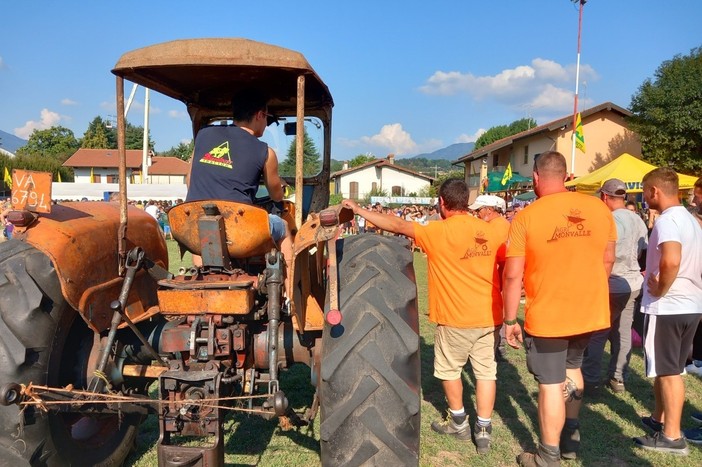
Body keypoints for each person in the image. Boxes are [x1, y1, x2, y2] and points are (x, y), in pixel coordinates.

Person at [342, 179, 504, 454]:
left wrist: (359, 210)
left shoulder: (437, 232)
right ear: (466, 201)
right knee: (486, 372)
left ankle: (459, 422)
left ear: (442, 202)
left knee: (450, 369)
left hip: (455, 317)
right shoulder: (489, 231)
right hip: (489, 315)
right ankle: (484, 429)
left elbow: (395, 225)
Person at [503, 151, 616, 466]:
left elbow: (512, 275)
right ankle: (570, 435)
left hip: (550, 314)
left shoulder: (526, 216)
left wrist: (510, 319)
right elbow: (608, 259)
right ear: (566, 176)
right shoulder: (599, 208)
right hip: (589, 310)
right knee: (573, 368)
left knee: (551, 382)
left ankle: (548, 455)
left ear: (536, 178)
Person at [634, 168, 702, 456]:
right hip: (690, 304)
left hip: (669, 306)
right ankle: (659, 419)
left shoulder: (669, 221)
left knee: (669, 371)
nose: (645, 196)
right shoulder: (691, 220)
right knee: (670, 368)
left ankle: (672, 437)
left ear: (655, 192)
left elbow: (671, 260)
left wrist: (660, 288)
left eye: (646, 191)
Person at [186, 88, 290, 267]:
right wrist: (280, 185)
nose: (266, 123)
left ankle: (201, 273)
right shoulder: (265, 152)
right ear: (259, 115)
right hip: (238, 228)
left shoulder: (202, 135)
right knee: (284, 228)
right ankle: (289, 292)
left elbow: (189, 180)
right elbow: (277, 197)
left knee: (203, 226)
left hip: (192, 225)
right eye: (266, 117)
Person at [581, 179, 648, 394]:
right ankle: (618, 378)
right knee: (623, 332)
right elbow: (642, 250)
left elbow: (601, 253)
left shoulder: (608, 220)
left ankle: (590, 379)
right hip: (632, 282)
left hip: (611, 281)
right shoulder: (637, 219)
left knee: (598, 332)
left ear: (605, 197)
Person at [470, 194, 510, 359]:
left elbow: (498, 256)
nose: (477, 214)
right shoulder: (500, 224)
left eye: (479, 210)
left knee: (495, 313)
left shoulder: (496, 227)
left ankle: (496, 348)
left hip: (497, 278)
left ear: (490, 210)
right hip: (499, 278)